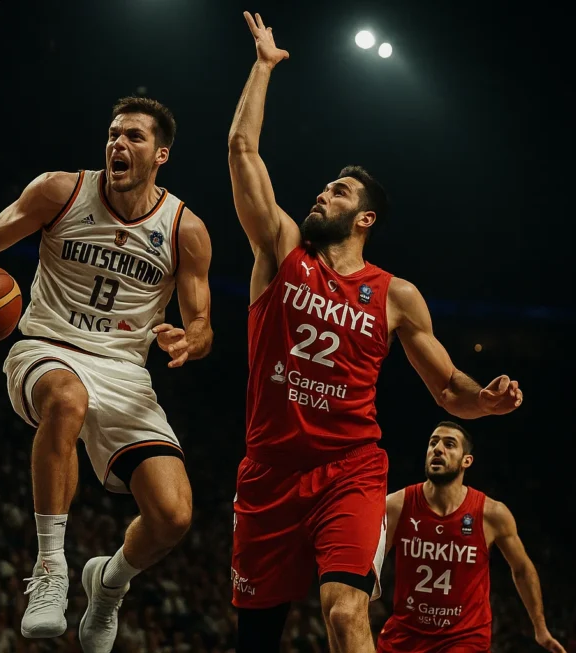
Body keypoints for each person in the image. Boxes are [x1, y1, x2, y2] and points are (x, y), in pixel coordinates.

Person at [226, 12, 524, 653]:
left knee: (343, 614)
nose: (321, 194)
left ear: (363, 217)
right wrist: (263, 67)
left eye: (337, 191)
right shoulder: (282, 252)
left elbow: (448, 389)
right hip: (269, 472)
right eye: (324, 186)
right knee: (255, 638)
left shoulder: (397, 297)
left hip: (350, 470)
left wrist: (487, 401)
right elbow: (242, 153)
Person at [0, 96, 213, 651]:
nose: (118, 145)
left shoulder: (185, 229)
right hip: (47, 345)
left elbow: (202, 323)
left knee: (173, 517)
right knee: (66, 399)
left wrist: (191, 340)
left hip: (126, 372)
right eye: (113, 134)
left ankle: (108, 583)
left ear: (161, 155)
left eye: (133, 137)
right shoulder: (61, 191)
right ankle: (51, 567)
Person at [378, 422, 566, 653]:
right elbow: (369, 566)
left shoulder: (491, 514)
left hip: (465, 637)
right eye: (433, 443)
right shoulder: (396, 505)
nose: (437, 449)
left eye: (449, 444)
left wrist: (541, 628)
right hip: (406, 634)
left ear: (466, 461)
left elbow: (522, 569)